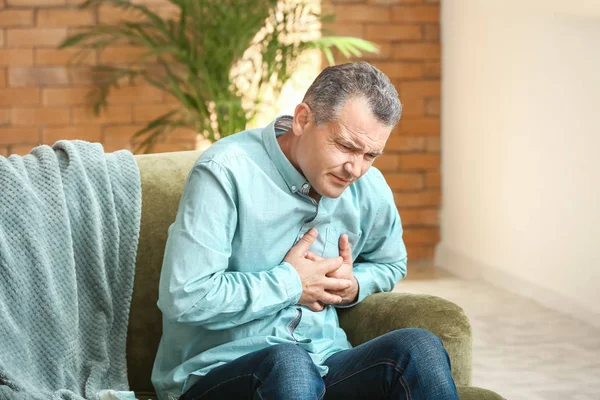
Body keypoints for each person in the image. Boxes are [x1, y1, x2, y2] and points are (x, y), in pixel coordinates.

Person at [151, 62, 458, 400]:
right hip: (218, 371)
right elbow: (185, 296)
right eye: (345, 146)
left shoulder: (369, 188)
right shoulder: (226, 172)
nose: (355, 168)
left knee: (418, 347)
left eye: (370, 154)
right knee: (289, 364)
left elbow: (391, 263)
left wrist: (351, 285)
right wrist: (291, 283)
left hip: (324, 363)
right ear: (302, 120)